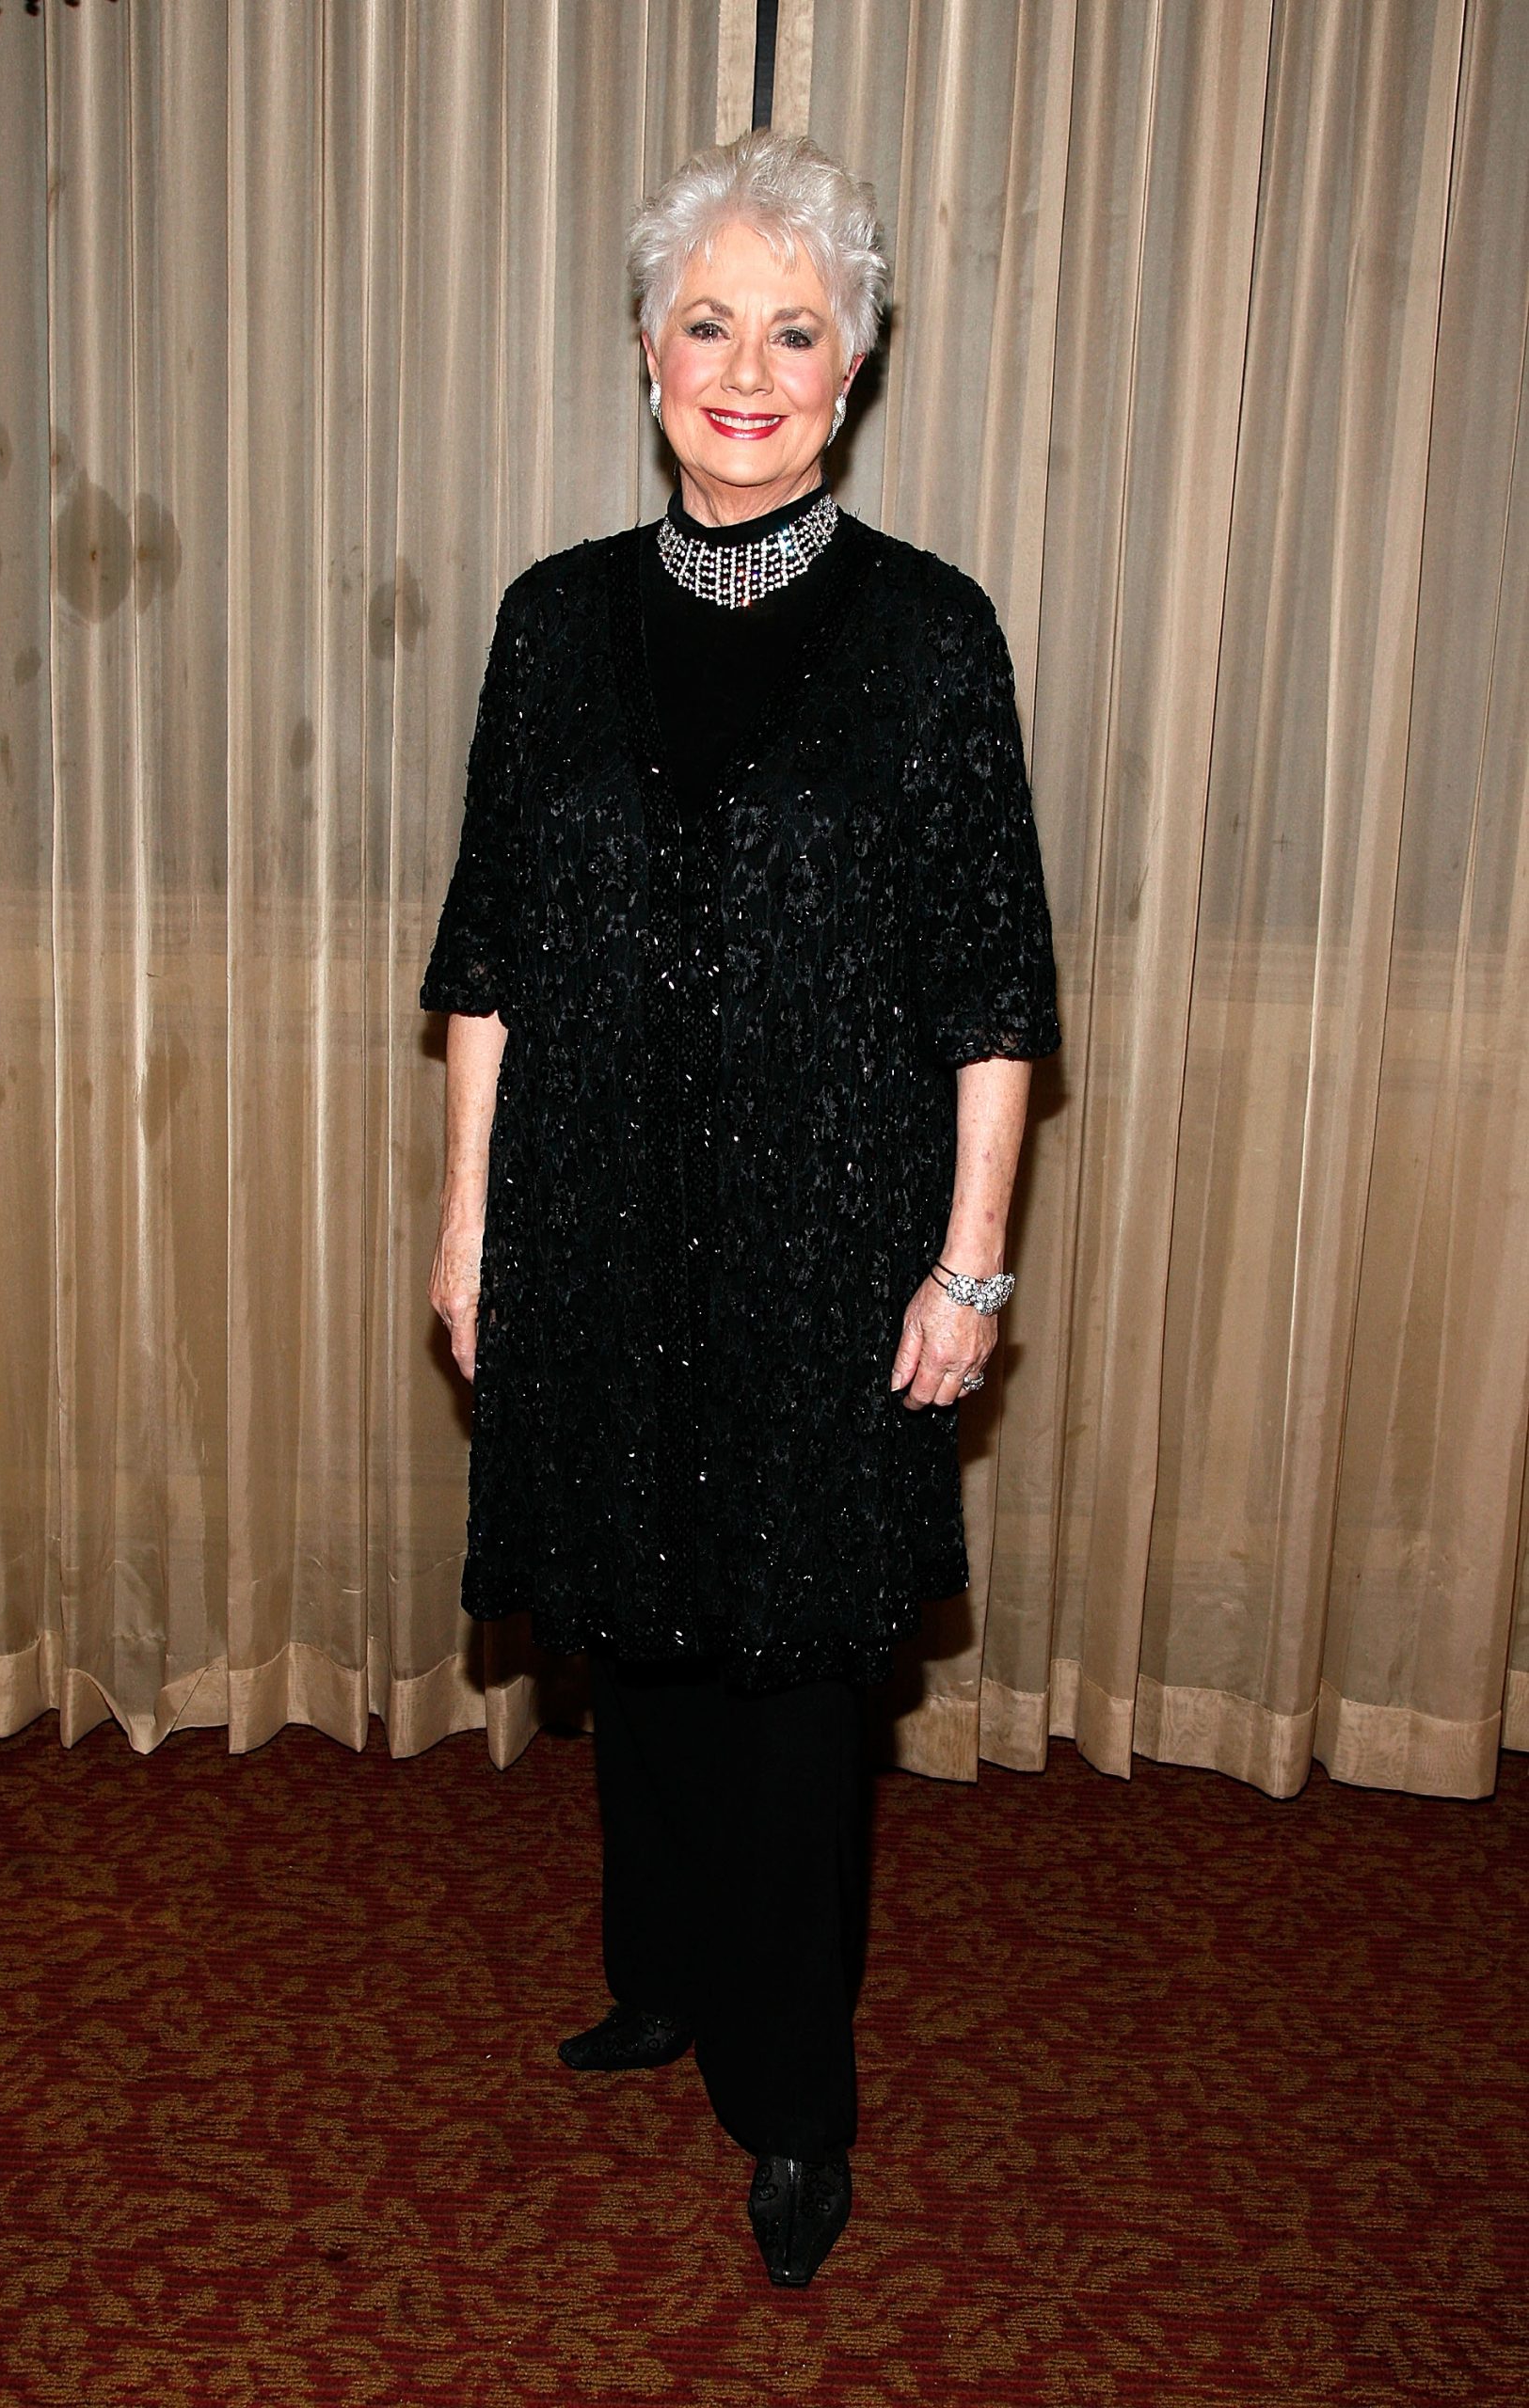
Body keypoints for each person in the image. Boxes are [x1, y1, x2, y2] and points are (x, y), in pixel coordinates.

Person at [422, 128, 1059, 2289]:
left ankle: (794, 2098)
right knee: (635, 1625)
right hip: (594, 1223)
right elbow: (490, 958)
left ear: (852, 367)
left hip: (824, 1255)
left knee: (790, 1684)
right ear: (644, 348)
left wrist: (968, 1262)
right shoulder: (550, 624)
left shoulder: (932, 638)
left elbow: (992, 991)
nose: (749, 369)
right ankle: (664, 1971)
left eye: (797, 330)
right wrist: (469, 1225)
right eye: (709, 322)